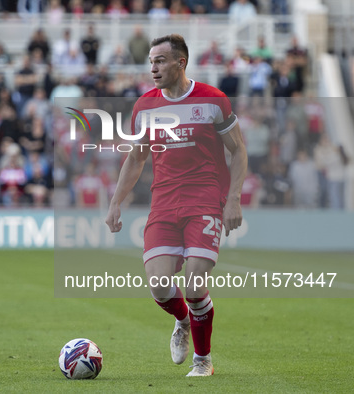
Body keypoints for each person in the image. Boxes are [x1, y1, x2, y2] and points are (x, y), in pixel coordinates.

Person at [105, 34, 247, 377]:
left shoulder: (213, 100)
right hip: (164, 204)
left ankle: (203, 361)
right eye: (151, 62)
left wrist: (233, 199)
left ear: (180, 63)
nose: (153, 68)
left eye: (160, 61)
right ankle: (182, 321)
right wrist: (115, 203)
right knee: (157, 285)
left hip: (204, 200)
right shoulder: (145, 106)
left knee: (196, 281)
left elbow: (238, 150)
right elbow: (136, 158)